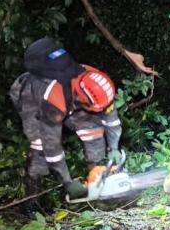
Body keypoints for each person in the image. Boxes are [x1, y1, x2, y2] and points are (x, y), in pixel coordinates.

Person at [9, 38, 122, 199]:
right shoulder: (53, 98)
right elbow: (52, 146)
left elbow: (112, 120)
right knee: (40, 146)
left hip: (70, 97)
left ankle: (97, 176)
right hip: (31, 98)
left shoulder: (96, 83)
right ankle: (32, 200)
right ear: (81, 99)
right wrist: (67, 182)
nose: (101, 111)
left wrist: (114, 147)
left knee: (93, 129)